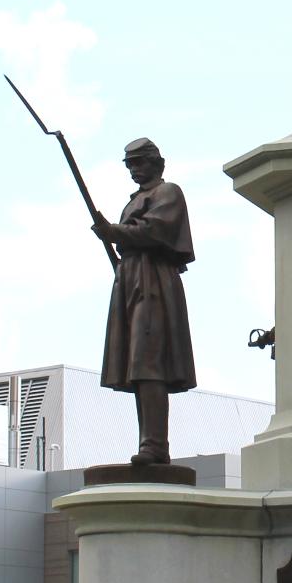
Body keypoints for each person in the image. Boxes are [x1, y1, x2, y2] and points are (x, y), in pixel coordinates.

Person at [93, 138, 196, 465]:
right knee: (137, 364)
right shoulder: (137, 199)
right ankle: (149, 443)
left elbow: (156, 230)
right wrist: (115, 234)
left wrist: (115, 232)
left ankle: (155, 445)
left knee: (148, 361)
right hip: (131, 278)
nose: (135, 170)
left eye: (140, 162)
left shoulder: (167, 193)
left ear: (157, 163)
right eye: (130, 164)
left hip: (153, 281)